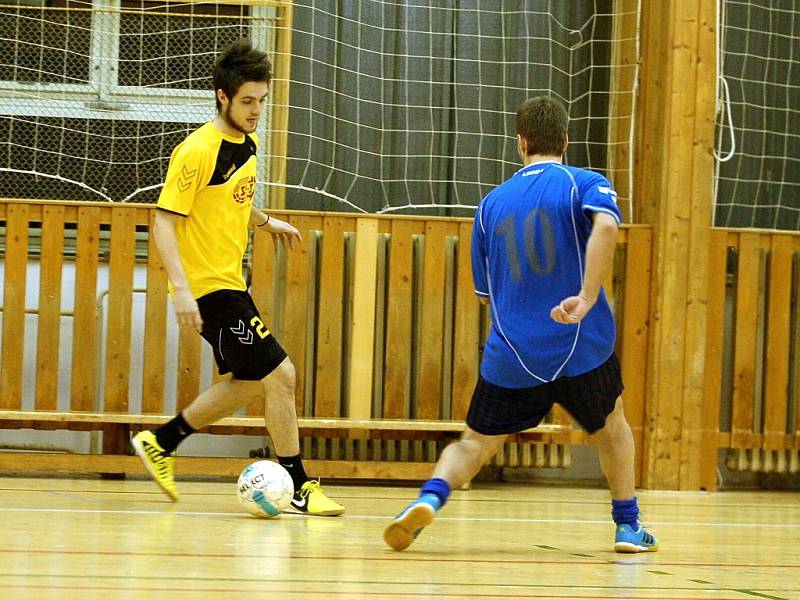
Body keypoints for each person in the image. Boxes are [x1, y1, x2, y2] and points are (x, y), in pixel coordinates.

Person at [383, 96, 657, 552]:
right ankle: (627, 525)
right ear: (565, 141)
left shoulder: (491, 205)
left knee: (473, 444)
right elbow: (606, 227)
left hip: (513, 353)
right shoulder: (585, 182)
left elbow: (485, 293)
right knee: (612, 426)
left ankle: (430, 497)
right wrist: (587, 296)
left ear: (521, 143)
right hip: (579, 343)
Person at [132, 39, 344, 517]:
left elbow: (231, 199)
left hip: (232, 281)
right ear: (223, 97)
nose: (256, 111)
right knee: (282, 374)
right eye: (247, 101)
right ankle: (299, 485)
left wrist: (267, 222)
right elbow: (164, 219)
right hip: (210, 288)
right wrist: (182, 290)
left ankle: (161, 442)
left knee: (252, 382)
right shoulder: (196, 151)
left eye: (262, 101)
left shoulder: (245, 144)